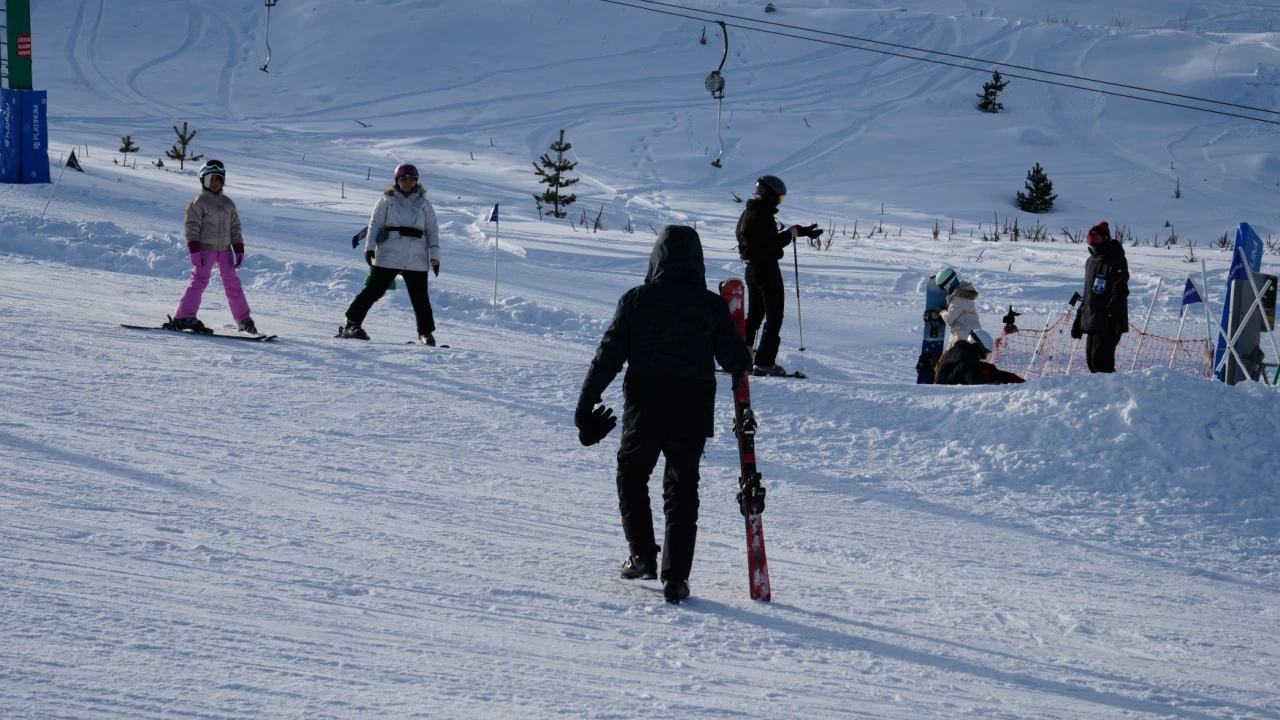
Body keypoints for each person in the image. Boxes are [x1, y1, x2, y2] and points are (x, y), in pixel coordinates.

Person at [575, 225, 752, 604]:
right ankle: (676, 579)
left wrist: (586, 401)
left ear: (656, 259)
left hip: (646, 403)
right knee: (682, 487)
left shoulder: (636, 299)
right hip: (693, 404)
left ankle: (642, 557)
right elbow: (737, 361)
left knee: (632, 472)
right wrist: (737, 333)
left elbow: (609, 353)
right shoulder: (711, 305)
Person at [338, 164, 441, 344]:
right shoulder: (386, 201)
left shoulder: (424, 204)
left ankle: (425, 333)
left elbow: (432, 229)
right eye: (403, 179)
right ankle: (351, 324)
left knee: (420, 297)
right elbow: (375, 224)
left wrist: (435, 255)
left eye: (411, 179)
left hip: (416, 255)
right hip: (389, 252)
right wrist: (369, 248)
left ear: (416, 181)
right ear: (397, 181)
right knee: (374, 291)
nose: (407, 182)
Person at [734, 175, 822, 376]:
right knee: (774, 316)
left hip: (752, 271)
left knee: (755, 315)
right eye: (779, 198)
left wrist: (800, 231)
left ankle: (745, 357)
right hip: (766, 271)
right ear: (770, 195)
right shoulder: (761, 215)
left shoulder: (748, 212)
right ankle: (764, 362)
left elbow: (761, 240)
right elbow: (773, 242)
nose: (779, 202)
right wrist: (791, 233)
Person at [164, 160, 257, 334]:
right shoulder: (199, 202)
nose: (214, 183)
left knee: (232, 283)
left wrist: (239, 248)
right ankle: (184, 316)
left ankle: (244, 319)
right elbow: (191, 226)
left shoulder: (228, 203)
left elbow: (235, 227)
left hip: (225, 250)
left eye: (218, 179)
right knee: (199, 281)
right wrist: (194, 249)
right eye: (210, 179)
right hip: (205, 248)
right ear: (203, 180)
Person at [1071, 221, 1129, 373]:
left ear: (1106, 239)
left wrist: (1113, 314)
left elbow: (1120, 290)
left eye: (1097, 239)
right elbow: (1089, 294)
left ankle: (1116, 393)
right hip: (1093, 318)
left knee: (1101, 361)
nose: (1094, 243)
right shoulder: (1091, 262)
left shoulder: (1116, 259)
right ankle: (1101, 395)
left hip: (1110, 320)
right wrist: (1080, 318)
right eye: (1090, 239)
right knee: (1092, 362)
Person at [934, 329, 1025, 385]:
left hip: (954, 379)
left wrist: (1008, 376)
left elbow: (976, 365)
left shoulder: (967, 353)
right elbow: (964, 362)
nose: (984, 357)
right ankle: (982, 386)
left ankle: (1010, 379)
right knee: (967, 367)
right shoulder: (959, 349)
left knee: (987, 367)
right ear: (978, 346)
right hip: (943, 384)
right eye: (985, 353)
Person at [934, 265, 982, 349]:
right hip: (972, 332)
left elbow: (949, 319)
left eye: (943, 287)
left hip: (963, 335)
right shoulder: (964, 292)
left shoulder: (958, 298)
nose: (944, 289)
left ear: (947, 284)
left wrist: (942, 311)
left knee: (950, 359)